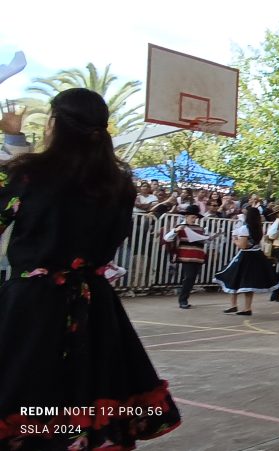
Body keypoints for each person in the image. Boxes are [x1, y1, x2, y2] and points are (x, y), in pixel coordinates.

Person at [0, 88, 181, 448]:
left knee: (24, 391)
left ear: (55, 123)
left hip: (34, 304)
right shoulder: (118, 184)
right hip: (95, 307)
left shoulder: (30, 175)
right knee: (87, 395)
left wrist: (11, 137)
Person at [214, 206, 279, 315]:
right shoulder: (259, 228)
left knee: (234, 277)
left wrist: (234, 240)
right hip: (257, 255)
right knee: (249, 282)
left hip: (246, 256)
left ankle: (234, 305)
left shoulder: (245, 228)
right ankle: (247, 307)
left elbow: (243, 245)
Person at [164, 205, 211, 309]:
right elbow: (167, 238)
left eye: (195, 217)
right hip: (186, 256)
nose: (194, 219)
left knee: (192, 278)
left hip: (198, 256)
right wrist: (176, 231)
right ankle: (183, 300)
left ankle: (185, 298)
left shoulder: (201, 228)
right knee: (189, 277)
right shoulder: (181, 226)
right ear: (186, 216)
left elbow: (206, 240)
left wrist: (208, 238)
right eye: (192, 217)